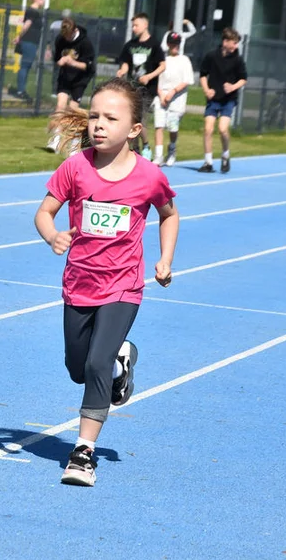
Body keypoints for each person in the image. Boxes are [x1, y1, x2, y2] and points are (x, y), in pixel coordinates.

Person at [36, 77, 179, 487]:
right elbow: (44, 213)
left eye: (110, 118)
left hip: (123, 286)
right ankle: (121, 363)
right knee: (78, 368)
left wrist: (164, 259)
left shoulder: (149, 176)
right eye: (94, 115)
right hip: (79, 283)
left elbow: (169, 215)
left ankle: (83, 452)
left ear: (134, 129)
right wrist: (53, 235)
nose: (98, 124)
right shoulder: (75, 167)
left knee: (95, 362)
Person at [198, 27, 247, 174]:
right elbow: (202, 74)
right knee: (208, 129)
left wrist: (233, 87)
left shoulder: (238, 60)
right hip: (213, 99)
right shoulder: (212, 56)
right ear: (226, 42)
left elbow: (243, 79)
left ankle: (225, 154)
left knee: (223, 129)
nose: (236, 46)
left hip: (228, 100)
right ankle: (208, 162)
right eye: (234, 42)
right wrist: (206, 90)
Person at [115, 12, 164, 160]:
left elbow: (162, 65)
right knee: (131, 119)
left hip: (148, 89)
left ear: (145, 25)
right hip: (132, 88)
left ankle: (146, 145)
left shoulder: (154, 45)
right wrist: (122, 71)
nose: (134, 28)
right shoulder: (130, 45)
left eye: (136, 25)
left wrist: (149, 76)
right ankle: (135, 150)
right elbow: (125, 63)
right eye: (133, 25)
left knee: (140, 119)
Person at [46, 16, 95, 152]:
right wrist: (60, 61)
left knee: (72, 111)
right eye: (65, 36)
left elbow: (87, 66)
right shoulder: (60, 40)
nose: (66, 39)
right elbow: (57, 58)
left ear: (74, 31)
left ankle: (74, 142)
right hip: (65, 76)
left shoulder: (85, 42)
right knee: (60, 106)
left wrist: (71, 61)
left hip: (80, 78)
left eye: (69, 36)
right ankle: (55, 139)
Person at [154, 31, 193, 166]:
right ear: (168, 44)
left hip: (177, 98)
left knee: (172, 127)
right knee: (159, 125)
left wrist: (173, 92)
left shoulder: (184, 60)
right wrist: (161, 94)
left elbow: (186, 80)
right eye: (172, 43)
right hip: (162, 96)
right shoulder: (163, 60)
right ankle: (158, 155)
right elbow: (157, 78)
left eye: (177, 44)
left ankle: (172, 149)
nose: (174, 46)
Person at [11, 0, 44, 102]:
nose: (43, 1)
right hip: (29, 41)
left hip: (32, 42)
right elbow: (26, 25)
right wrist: (19, 36)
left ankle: (22, 89)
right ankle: (20, 91)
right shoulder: (32, 11)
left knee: (27, 65)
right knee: (25, 65)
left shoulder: (35, 12)